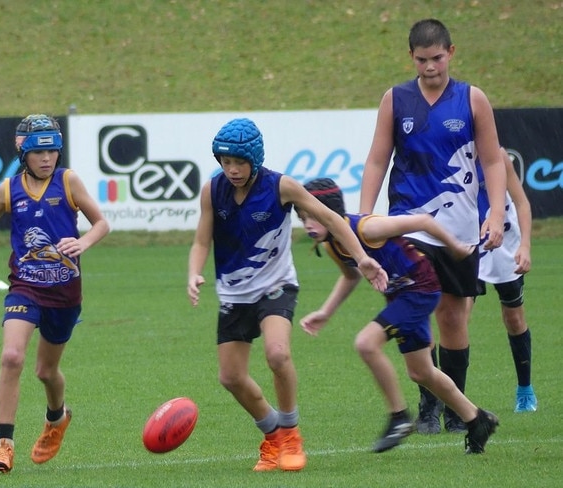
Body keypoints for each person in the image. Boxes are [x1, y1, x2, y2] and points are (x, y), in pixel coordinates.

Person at [187, 118, 388, 472]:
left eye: (239, 162)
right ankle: (272, 435)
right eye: (225, 161)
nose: (231, 169)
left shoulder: (281, 186)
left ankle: (292, 434)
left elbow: (333, 218)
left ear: (255, 159)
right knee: (230, 378)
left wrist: (362, 257)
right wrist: (194, 272)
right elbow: (203, 239)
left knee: (277, 354)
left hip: (275, 285)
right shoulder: (212, 190)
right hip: (234, 293)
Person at [359, 18, 507, 434]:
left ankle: (457, 411)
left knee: (454, 318)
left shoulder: (472, 99)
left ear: (451, 53)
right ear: (411, 57)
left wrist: (495, 214)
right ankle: (426, 407)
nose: (430, 67)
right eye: (422, 60)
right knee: (416, 311)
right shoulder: (396, 100)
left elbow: (493, 161)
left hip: (460, 230)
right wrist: (366, 217)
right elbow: (377, 159)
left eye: (437, 58)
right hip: (408, 225)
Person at [0, 114, 110, 473]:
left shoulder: (68, 182)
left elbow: (101, 223)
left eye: (53, 151)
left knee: (45, 372)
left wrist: (83, 241)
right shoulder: (9, 189)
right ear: (23, 151)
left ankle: (57, 418)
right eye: (39, 152)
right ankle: (3, 445)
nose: (47, 158)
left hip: (65, 294)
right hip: (24, 288)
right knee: (11, 356)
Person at [299, 178, 499, 454]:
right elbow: (350, 276)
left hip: (421, 290)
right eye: (302, 217)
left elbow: (424, 222)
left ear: (329, 212)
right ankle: (478, 420)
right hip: (401, 296)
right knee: (421, 371)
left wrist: (453, 247)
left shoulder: (368, 228)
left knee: (366, 343)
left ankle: (398, 418)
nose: (307, 224)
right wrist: (325, 312)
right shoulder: (334, 244)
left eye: (312, 216)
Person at [474, 147, 537, 412]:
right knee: (456, 317)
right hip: (468, 244)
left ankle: (525, 390)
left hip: (504, 245)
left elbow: (522, 203)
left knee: (514, 318)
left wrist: (525, 246)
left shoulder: (499, 157)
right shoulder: (449, 154)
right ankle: (454, 405)